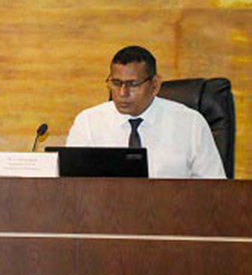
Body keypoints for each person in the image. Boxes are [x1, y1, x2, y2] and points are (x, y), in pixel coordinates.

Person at [66, 45, 225, 178]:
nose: (122, 93)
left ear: (155, 85)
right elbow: (72, 185)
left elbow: (215, 189)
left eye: (133, 84)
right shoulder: (88, 122)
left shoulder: (190, 124)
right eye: (116, 83)